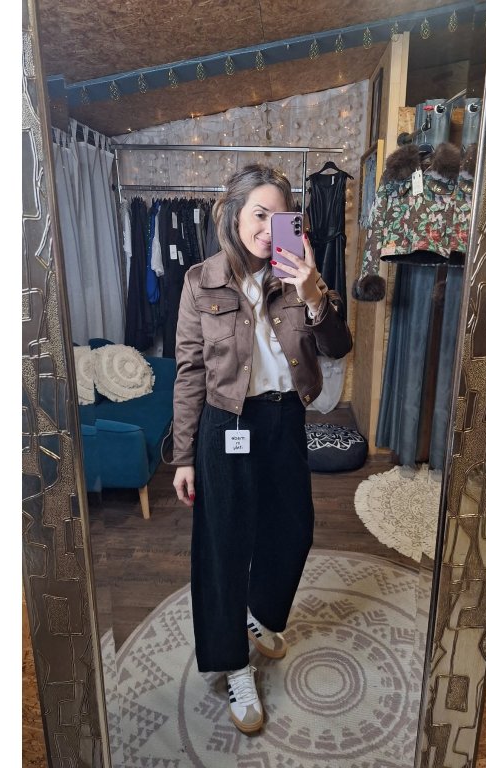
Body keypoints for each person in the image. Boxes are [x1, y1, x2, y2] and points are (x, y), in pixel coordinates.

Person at [169, 164, 353, 734]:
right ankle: (234, 665)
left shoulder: (298, 275)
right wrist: (182, 456)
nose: (268, 228)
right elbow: (189, 372)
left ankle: (258, 614)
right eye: (258, 214)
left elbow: (338, 347)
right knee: (224, 547)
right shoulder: (200, 281)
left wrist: (314, 294)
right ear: (232, 214)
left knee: (294, 529)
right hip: (225, 425)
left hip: (284, 418)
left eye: (280, 217)